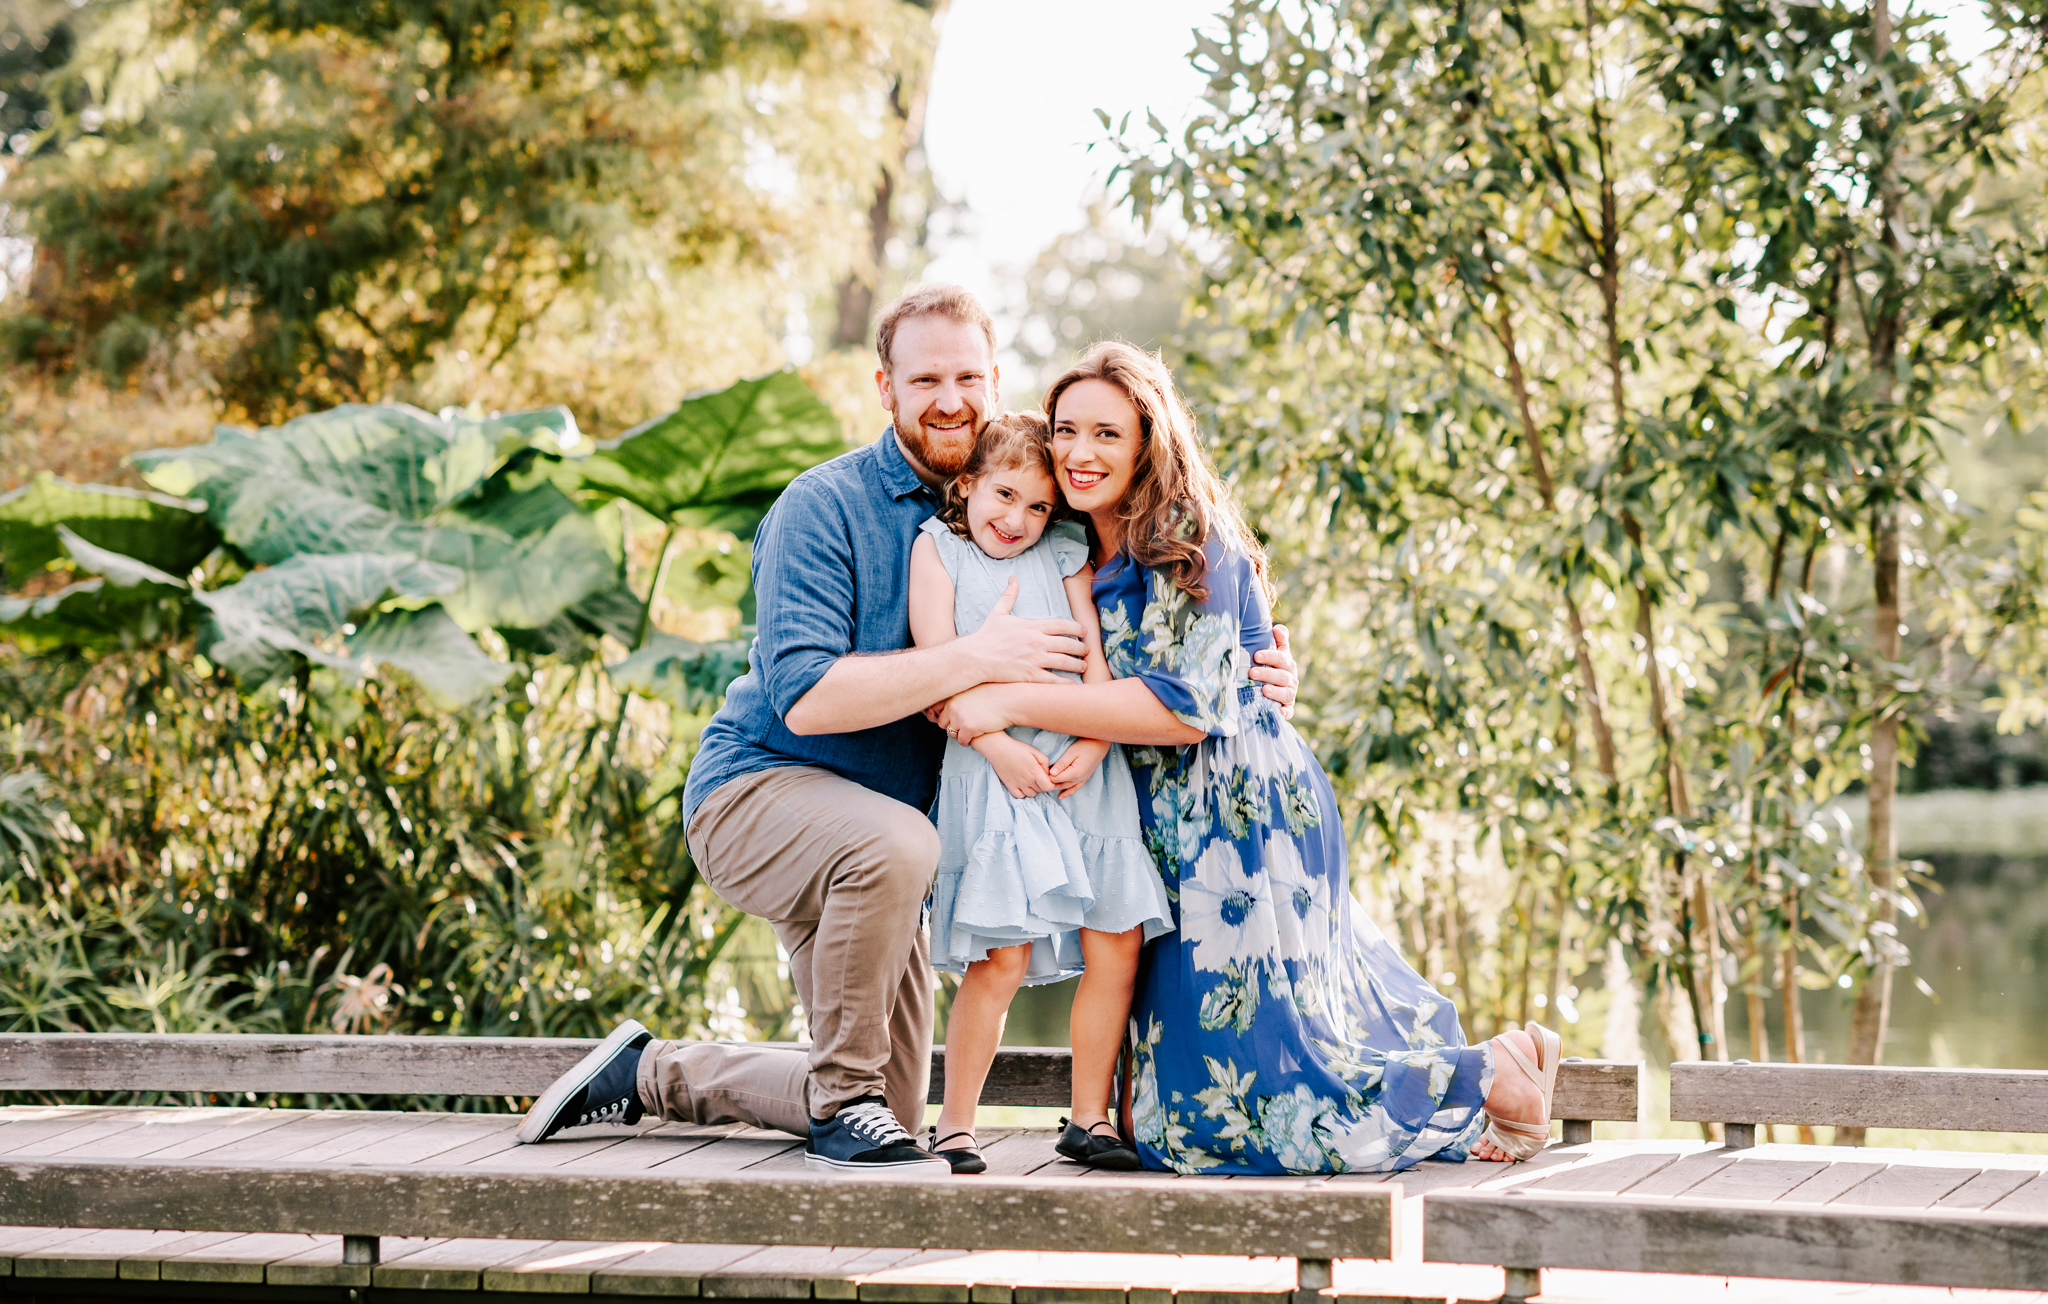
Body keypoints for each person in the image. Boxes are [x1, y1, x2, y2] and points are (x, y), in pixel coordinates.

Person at [515, 285, 1301, 1177]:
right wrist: (979, 656)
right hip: (762, 792)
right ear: (885, 387)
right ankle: (840, 1101)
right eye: (925, 377)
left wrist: (1257, 658)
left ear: (997, 381)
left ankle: (654, 1072)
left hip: (894, 846)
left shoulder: (1035, 490)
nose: (950, 397)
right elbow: (807, 698)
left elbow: (1159, 574)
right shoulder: (823, 507)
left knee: (885, 1107)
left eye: (968, 374)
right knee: (894, 863)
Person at [931, 342, 1560, 1172]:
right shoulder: (1075, 534)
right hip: (1160, 816)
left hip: (1235, 813)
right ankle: (1481, 1075)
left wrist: (1002, 704)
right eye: (1068, 431)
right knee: (1188, 1108)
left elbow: (1186, 708)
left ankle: (1489, 1074)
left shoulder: (1185, 534)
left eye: (1108, 435)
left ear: (1148, 441)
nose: (1082, 453)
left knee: (1265, 1092)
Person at [911, 411, 1171, 1175]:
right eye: (1004, 495)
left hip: (1082, 764)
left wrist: (1096, 741)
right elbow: (936, 667)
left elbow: (1093, 653)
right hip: (993, 769)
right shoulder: (940, 553)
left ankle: (1089, 1116)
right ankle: (955, 1124)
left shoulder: (1062, 553)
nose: (1017, 519)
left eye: (1035, 506)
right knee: (1003, 957)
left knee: (1114, 938)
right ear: (967, 485)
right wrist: (997, 747)